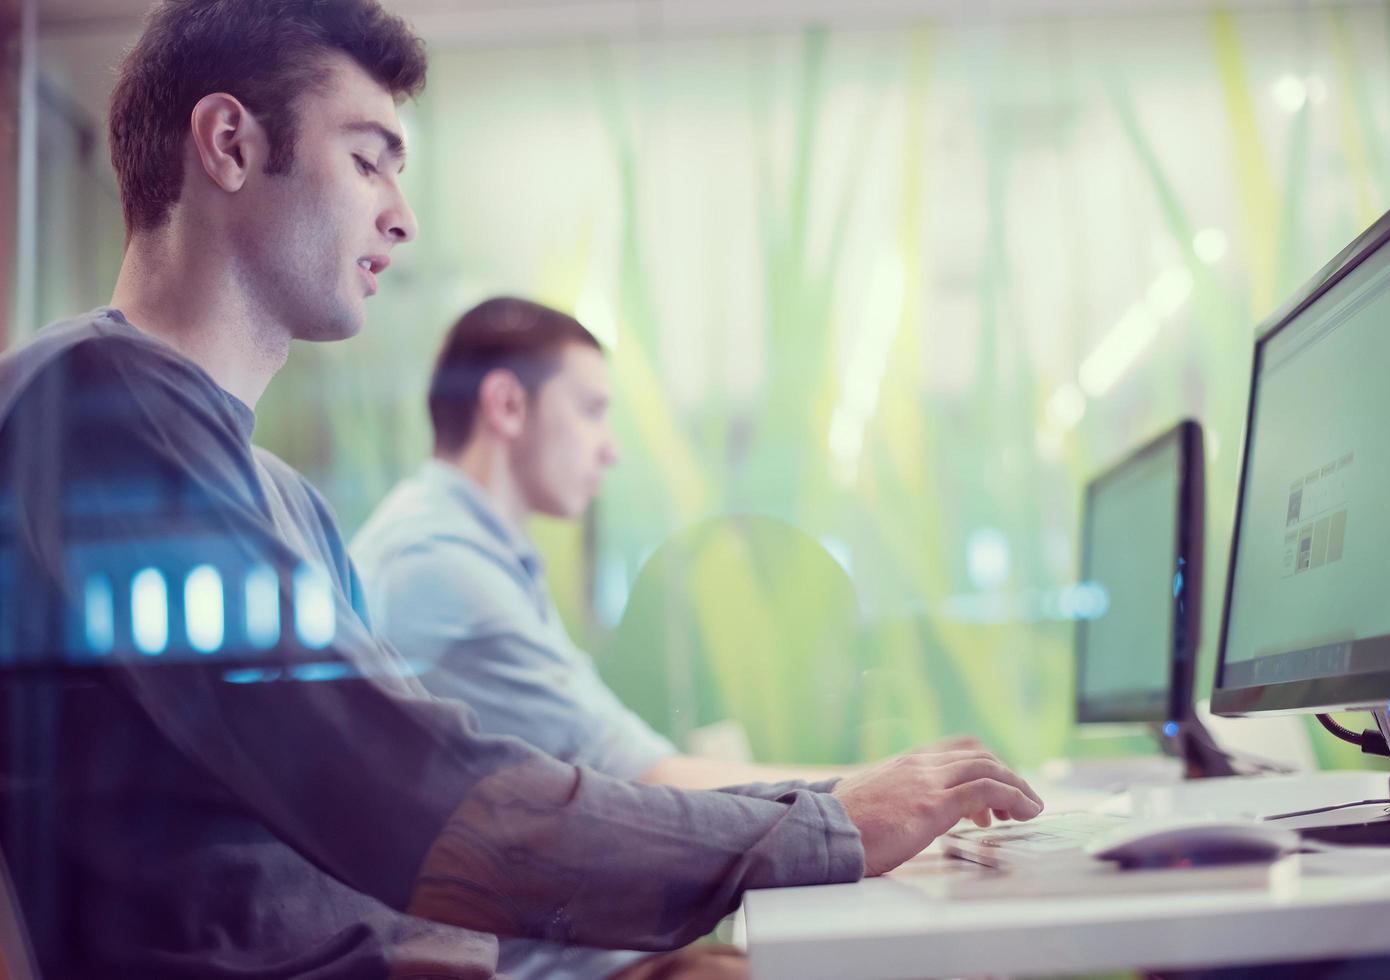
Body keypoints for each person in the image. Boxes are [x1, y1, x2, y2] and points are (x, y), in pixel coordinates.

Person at [0, 2, 1042, 978]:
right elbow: (415, 796)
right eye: (368, 160)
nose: (401, 218)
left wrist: (828, 810)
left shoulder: (281, 495)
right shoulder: (89, 403)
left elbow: (412, 791)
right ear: (229, 145)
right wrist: (832, 822)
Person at [353, 298, 993, 977]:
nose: (612, 447)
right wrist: (873, 798)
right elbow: (640, 774)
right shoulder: (439, 567)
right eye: (592, 409)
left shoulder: (473, 555)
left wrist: (876, 796)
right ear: (508, 405)